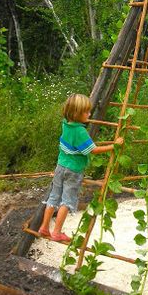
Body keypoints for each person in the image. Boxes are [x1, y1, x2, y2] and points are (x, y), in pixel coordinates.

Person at [39, 93, 124, 242]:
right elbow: (93, 150)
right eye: (86, 111)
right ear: (77, 113)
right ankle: (57, 232)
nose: (89, 114)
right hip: (73, 170)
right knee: (67, 200)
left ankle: (44, 227)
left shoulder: (65, 123)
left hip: (60, 166)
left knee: (53, 197)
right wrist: (114, 146)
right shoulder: (80, 131)